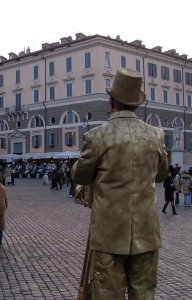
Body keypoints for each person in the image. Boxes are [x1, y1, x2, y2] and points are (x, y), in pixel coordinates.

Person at [71, 68, 168, 299]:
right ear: (136, 104)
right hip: (147, 233)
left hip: (108, 235)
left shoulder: (97, 136)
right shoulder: (156, 135)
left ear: (110, 101)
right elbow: (161, 175)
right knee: (144, 294)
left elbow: (80, 176)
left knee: (107, 295)